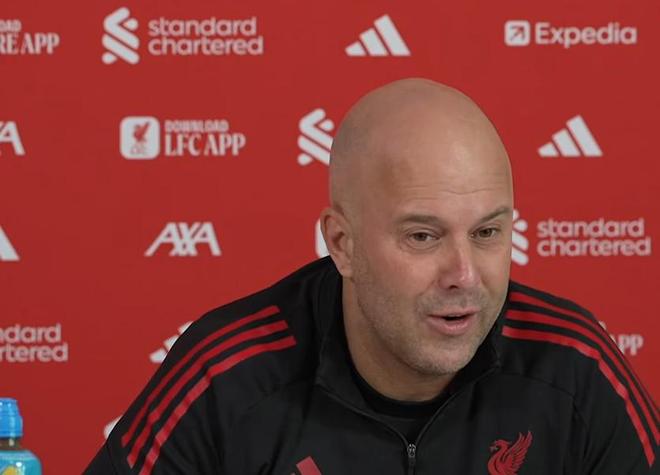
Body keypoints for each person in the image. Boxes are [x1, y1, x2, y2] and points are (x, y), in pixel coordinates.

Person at [86, 78, 658, 474]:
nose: (464, 275)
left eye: (487, 232)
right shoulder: (225, 376)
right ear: (343, 244)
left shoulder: (576, 366)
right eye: (422, 236)